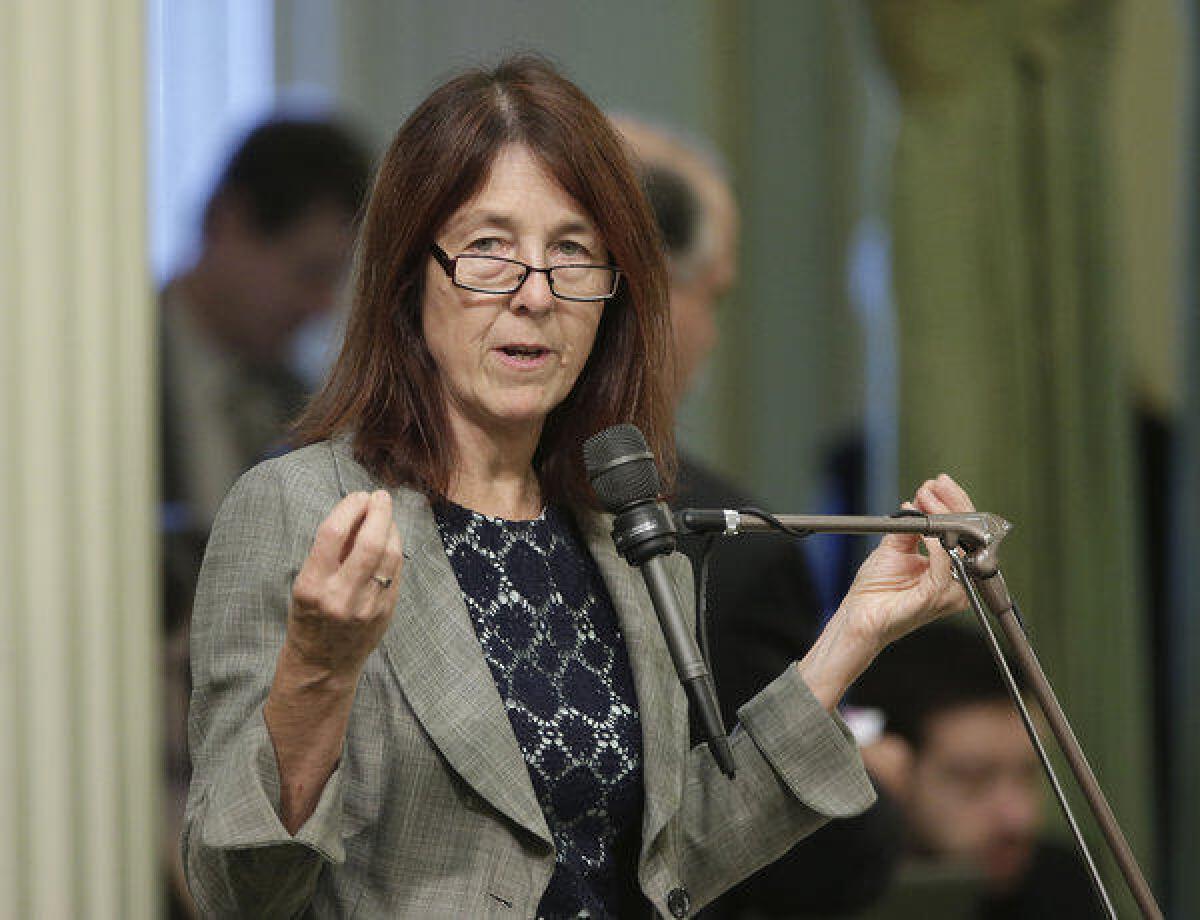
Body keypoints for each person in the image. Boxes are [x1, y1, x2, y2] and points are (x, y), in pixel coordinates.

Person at [183, 56, 975, 919]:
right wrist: (318, 673)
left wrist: (854, 634)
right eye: (489, 249)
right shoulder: (300, 509)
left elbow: (676, 862)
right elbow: (240, 892)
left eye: (571, 253)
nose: (534, 294)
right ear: (410, 277)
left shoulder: (622, 527)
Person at [616, 115, 904, 917]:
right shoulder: (730, 544)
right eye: (715, 297)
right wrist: (865, 777)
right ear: (650, 291)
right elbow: (824, 865)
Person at [160, 116, 370, 915]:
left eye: (337, 278)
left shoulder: (307, 408)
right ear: (229, 222)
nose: (321, 305)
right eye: (309, 270)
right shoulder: (99, 368)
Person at [853, 621, 1098, 918]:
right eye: (973, 780)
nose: (1019, 818)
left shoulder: (1060, 884)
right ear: (886, 766)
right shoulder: (826, 896)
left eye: (1028, 774)